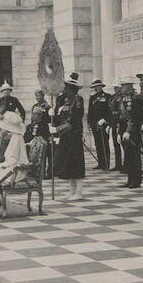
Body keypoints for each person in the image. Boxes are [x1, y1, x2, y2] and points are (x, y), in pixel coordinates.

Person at [51, 72, 85, 200]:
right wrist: (53, 116)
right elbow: (61, 117)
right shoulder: (65, 100)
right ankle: (72, 190)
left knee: (77, 163)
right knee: (68, 163)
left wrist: (57, 129)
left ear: (72, 89)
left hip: (74, 135)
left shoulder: (77, 100)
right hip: (66, 136)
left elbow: (74, 120)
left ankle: (79, 192)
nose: (64, 89)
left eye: (67, 87)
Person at [118, 76, 142, 188]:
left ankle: (136, 181)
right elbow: (121, 117)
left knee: (134, 156)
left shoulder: (136, 98)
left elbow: (135, 117)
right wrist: (120, 132)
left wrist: (128, 131)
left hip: (134, 131)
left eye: (123, 85)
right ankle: (130, 179)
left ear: (129, 86)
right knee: (128, 155)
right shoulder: (123, 98)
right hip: (125, 131)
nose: (121, 88)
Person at [87, 78, 111, 170]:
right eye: (94, 87)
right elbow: (90, 111)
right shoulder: (92, 97)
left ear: (101, 86)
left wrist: (107, 121)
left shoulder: (107, 96)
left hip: (103, 123)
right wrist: (89, 123)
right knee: (97, 144)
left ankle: (106, 163)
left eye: (97, 86)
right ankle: (100, 163)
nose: (95, 88)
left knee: (104, 143)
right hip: (94, 124)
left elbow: (109, 111)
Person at [108, 78, 123, 172]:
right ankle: (118, 163)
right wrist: (109, 124)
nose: (115, 88)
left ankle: (126, 164)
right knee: (115, 144)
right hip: (113, 121)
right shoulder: (112, 97)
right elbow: (110, 111)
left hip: (120, 121)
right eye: (115, 87)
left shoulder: (122, 97)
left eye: (117, 87)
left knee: (123, 144)